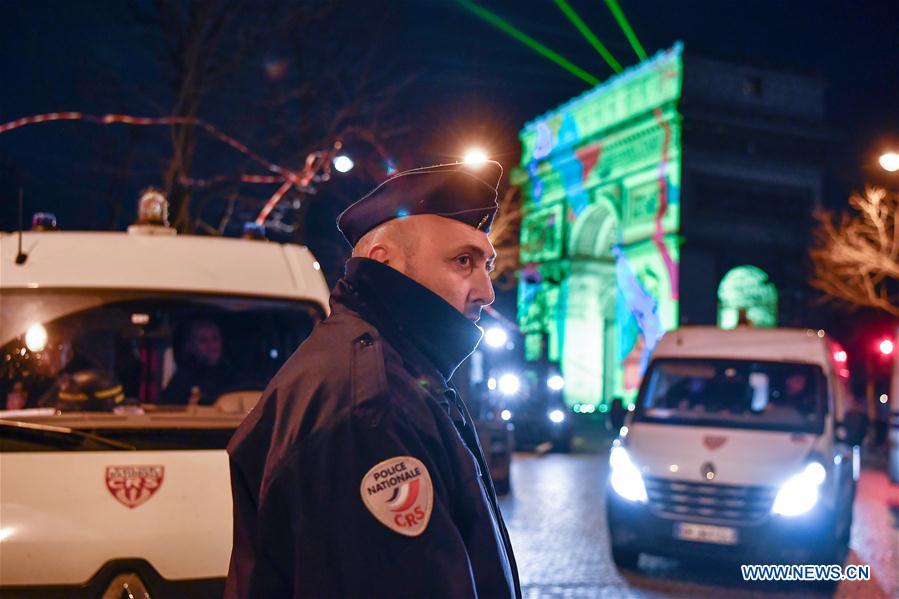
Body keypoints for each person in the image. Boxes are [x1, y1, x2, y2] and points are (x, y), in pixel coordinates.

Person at [225, 162, 521, 598]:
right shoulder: (372, 406)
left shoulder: (383, 370)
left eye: (487, 266)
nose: (486, 291)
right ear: (385, 263)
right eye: (463, 261)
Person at [162, 319, 238, 405]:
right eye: (203, 340)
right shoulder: (183, 379)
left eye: (215, 338)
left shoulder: (232, 373)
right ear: (191, 346)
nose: (211, 345)